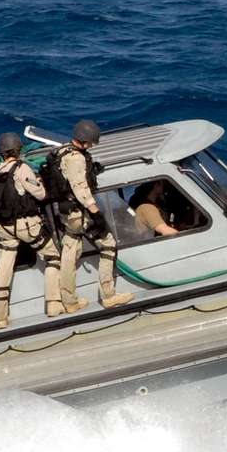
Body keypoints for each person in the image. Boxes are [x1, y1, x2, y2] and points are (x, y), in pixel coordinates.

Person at [50, 120, 134, 313]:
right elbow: (81, 189)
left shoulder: (62, 151)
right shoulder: (76, 159)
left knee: (70, 252)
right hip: (79, 212)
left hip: (65, 212)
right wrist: (96, 214)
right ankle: (109, 295)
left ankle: (69, 302)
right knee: (109, 245)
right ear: (86, 141)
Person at [0, 132, 61, 327]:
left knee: (4, 266)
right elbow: (41, 194)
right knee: (53, 257)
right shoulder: (22, 168)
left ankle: (0, 316)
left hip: (4, 227)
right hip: (27, 225)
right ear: (18, 150)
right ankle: (53, 303)